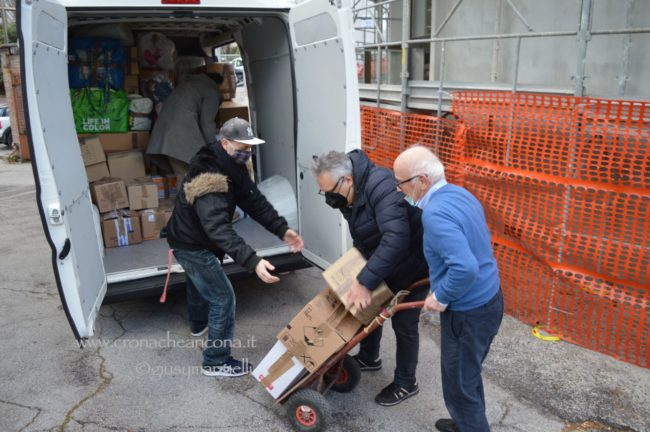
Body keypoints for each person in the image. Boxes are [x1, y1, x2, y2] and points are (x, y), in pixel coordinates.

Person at [165, 117, 304, 377]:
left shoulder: (232, 164)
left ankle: (198, 324)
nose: (247, 152)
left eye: (250, 147)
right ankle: (216, 361)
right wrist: (253, 260)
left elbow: (254, 201)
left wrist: (282, 229)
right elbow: (218, 229)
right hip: (191, 243)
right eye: (242, 147)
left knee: (199, 280)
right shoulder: (208, 175)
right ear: (225, 143)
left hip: (195, 238)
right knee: (223, 297)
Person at [393, 146, 504, 432]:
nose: (399, 190)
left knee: (459, 385)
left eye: (401, 183)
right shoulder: (460, 194)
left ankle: (470, 425)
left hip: (468, 312)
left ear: (422, 181)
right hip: (490, 299)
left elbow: (464, 268)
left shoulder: (435, 214)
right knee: (467, 374)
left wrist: (441, 296)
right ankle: (464, 423)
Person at [312, 150, 429, 406]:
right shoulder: (348, 196)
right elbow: (364, 236)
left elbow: (396, 238)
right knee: (368, 306)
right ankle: (369, 358)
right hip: (387, 258)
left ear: (347, 180)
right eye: (324, 192)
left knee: (404, 323)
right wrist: (357, 271)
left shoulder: (381, 186)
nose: (329, 198)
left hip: (415, 259)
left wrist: (365, 281)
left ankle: (406, 383)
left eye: (330, 191)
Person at [146, 72, 224, 177]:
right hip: (181, 138)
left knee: (182, 175)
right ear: (218, 84)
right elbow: (207, 125)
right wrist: (215, 150)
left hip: (163, 136)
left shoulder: (187, 83)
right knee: (191, 177)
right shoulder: (212, 92)